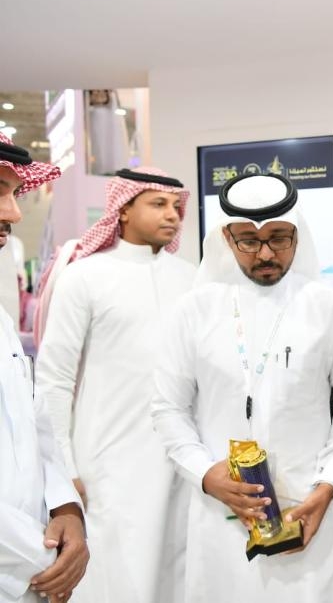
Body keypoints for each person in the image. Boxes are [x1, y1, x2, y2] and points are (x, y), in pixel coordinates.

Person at [150, 173, 333, 603]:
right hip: (220, 516)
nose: (266, 254)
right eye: (249, 241)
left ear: (297, 234)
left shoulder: (330, 308)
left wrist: (327, 484)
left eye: (279, 238)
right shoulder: (194, 311)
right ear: (227, 238)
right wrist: (205, 474)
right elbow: (168, 409)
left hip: (309, 511)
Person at [33, 167, 193, 603]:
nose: (173, 215)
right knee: (116, 577)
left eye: (176, 206)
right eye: (158, 204)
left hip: (182, 460)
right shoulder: (85, 277)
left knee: (177, 574)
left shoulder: (192, 279)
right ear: (122, 210)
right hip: (106, 461)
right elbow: (54, 378)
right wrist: (64, 469)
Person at [0, 132, 89, 603]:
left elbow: (33, 426)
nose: (14, 213)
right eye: (0, 192)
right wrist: (46, 559)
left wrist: (65, 507)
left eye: (15, 193)